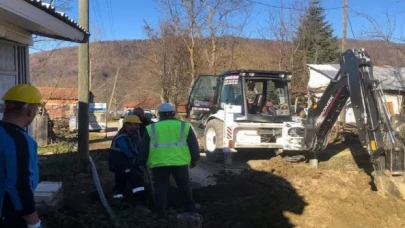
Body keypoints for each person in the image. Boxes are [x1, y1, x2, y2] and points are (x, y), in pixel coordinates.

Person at [138, 102, 200, 220]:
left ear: (159, 114)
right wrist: (194, 159)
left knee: (161, 188)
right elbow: (193, 145)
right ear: (173, 113)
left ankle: (160, 212)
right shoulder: (184, 126)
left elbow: (143, 148)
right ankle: (189, 208)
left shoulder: (151, 128)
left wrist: (141, 162)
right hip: (180, 163)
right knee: (184, 186)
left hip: (159, 163)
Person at [0, 84, 44, 228]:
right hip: (8, 214)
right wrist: (34, 222)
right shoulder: (18, 140)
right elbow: (19, 185)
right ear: (30, 112)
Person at [108, 115, 147, 207]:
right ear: (127, 125)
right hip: (122, 165)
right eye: (136, 124)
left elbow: (137, 148)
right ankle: (140, 202)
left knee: (122, 184)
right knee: (136, 182)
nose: (138, 126)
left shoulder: (132, 136)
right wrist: (142, 158)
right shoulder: (122, 137)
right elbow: (131, 152)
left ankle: (121, 201)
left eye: (138, 124)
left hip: (127, 165)